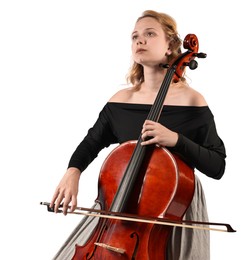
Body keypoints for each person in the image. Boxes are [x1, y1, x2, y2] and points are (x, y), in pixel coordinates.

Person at [50, 10, 226, 260]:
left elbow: (217, 165)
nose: (139, 40)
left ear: (171, 46)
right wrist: (72, 171)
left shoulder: (192, 101)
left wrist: (176, 140)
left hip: (173, 210)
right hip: (117, 208)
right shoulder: (121, 101)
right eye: (135, 37)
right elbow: (91, 142)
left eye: (150, 34)